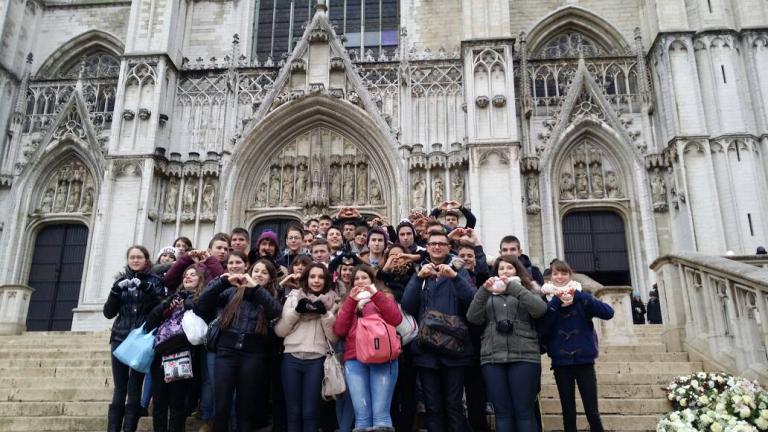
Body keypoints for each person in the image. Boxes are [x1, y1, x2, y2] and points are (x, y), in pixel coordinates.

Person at [196, 253, 283, 432]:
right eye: (256, 271)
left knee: (246, 406)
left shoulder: (271, 295)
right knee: (221, 405)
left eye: (264, 272)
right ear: (250, 272)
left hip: (253, 355)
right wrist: (223, 281)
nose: (259, 274)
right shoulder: (233, 291)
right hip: (226, 351)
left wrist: (256, 288)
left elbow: (275, 311)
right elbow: (202, 303)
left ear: (270, 278)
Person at [401, 231, 476, 432]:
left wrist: (455, 278)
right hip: (426, 350)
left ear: (449, 247)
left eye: (441, 244)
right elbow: (407, 305)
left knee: (454, 405)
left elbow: (473, 301)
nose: (436, 247)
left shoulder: (459, 271)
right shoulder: (421, 272)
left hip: (454, 349)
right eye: (432, 243)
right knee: (432, 407)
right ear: (427, 247)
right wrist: (418, 279)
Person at [466, 255, 547, 432]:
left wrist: (513, 287)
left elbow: (540, 310)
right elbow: (473, 317)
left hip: (525, 355)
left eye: (509, 268)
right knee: (502, 413)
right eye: (501, 268)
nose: (505, 272)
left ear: (517, 270)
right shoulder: (487, 292)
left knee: (524, 411)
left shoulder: (527, 289)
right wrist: (484, 291)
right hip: (492, 357)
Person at [537, 260, 614, 432]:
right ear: (551, 276)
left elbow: (608, 313)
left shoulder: (581, 297)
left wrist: (579, 295)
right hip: (561, 363)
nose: (560, 277)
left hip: (584, 362)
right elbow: (542, 329)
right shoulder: (546, 299)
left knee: (592, 411)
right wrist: (555, 302)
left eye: (564, 273)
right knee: (568, 411)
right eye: (556, 273)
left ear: (570, 275)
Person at [334, 265, 402, 432]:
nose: (360, 281)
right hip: (354, 359)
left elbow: (396, 319)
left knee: (381, 416)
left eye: (364, 277)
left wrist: (375, 295)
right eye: (356, 279)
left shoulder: (384, 296)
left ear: (372, 280)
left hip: (383, 357)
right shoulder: (347, 301)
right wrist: (351, 301)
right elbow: (340, 330)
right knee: (362, 418)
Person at [103, 245, 164, 432]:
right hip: (120, 337)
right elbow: (108, 313)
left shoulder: (155, 281)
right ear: (128, 260)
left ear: (146, 259)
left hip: (141, 340)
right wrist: (115, 292)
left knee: (135, 387)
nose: (136, 260)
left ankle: (129, 428)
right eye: (132, 257)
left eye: (139, 257)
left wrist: (149, 290)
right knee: (120, 387)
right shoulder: (120, 280)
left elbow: (162, 307)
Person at [275, 263, 339, 432]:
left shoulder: (333, 301)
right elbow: (280, 331)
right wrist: (297, 311)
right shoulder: (293, 297)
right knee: (293, 411)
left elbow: (333, 337)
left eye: (321, 277)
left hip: (317, 360)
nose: (316, 280)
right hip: (291, 358)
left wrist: (325, 314)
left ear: (326, 280)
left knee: (310, 412)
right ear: (306, 279)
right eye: (312, 276)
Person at [146, 266, 206, 432]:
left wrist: (187, 302)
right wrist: (166, 304)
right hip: (161, 354)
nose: (188, 277)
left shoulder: (202, 298)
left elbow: (202, 314)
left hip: (182, 354)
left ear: (200, 280)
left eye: (193, 275)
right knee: (159, 402)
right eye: (185, 275)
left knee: (177, 402)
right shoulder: (172, 297)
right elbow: (151, 321)